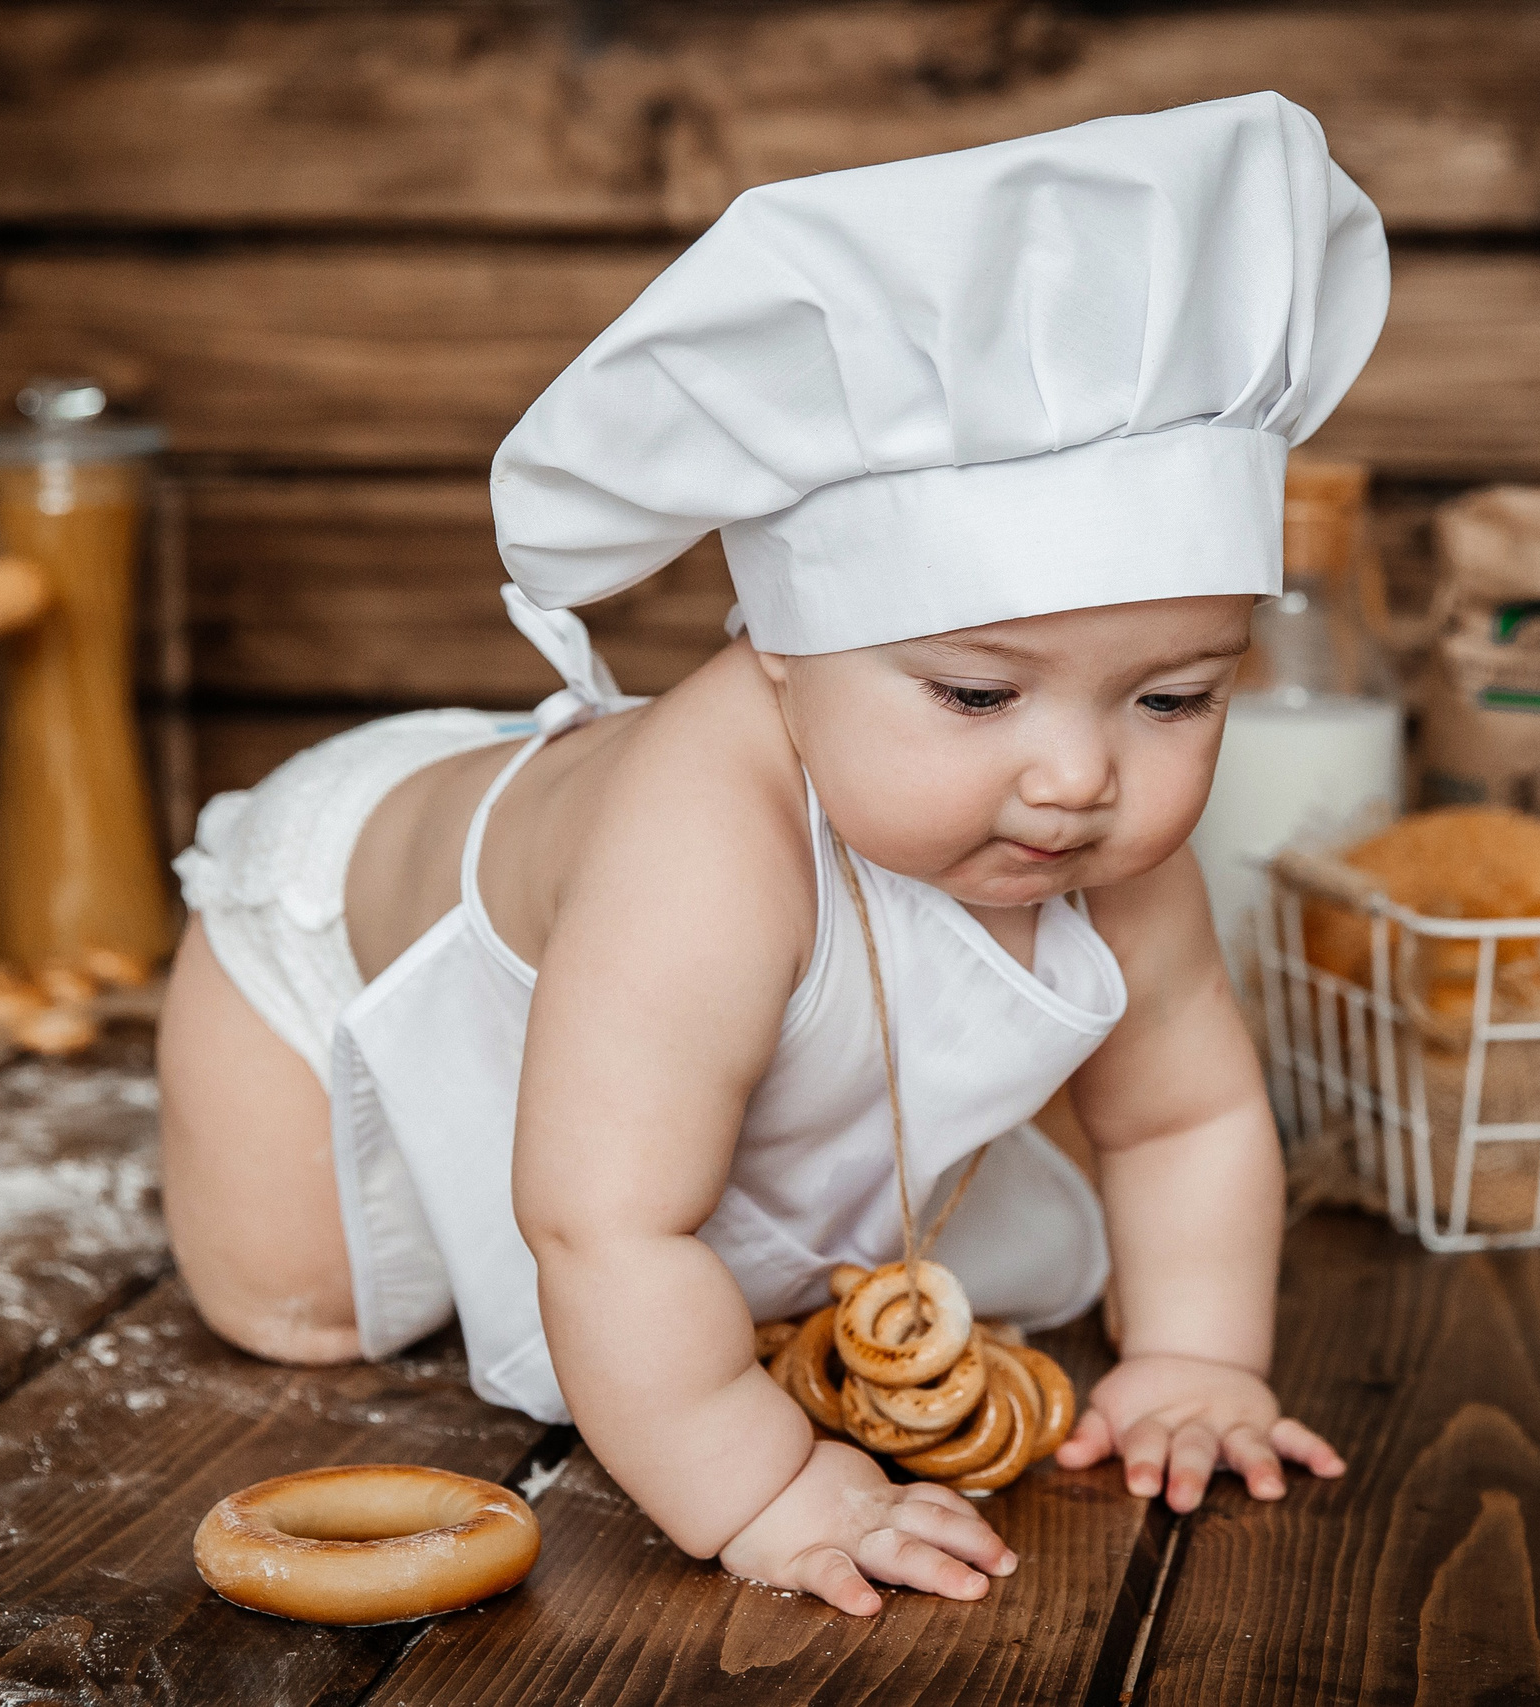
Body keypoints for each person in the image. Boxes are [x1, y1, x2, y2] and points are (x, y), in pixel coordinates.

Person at [158, 91, 1388, 1617]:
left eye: (1177, 698)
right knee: (308, 1306)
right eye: (977, 693)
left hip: (669, 1056)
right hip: (336, 928)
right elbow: (600, 1222)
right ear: (789, 654)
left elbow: (1184, 1116)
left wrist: (1198, 1360)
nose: (1079, 777)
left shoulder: (1085, 828)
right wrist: (761, 1482)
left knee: (767, 1216)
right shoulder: (706, 838)